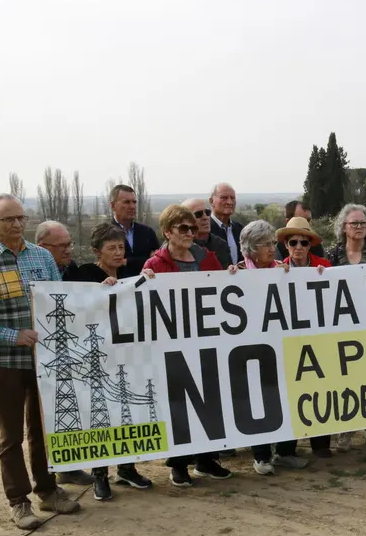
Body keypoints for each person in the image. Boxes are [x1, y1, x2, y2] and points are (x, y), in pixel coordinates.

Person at [0, 193, 81, 529]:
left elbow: (61, 302)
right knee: (10, 434)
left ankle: (48, 490)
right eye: (7, 219)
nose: (15, 225)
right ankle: (18, 500)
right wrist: (13, 336)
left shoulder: (42, 257)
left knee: (43, 429)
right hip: (6, 360)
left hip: (43, 361)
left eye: (20, 218)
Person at [143, 205, 231, 486]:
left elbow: (223, 290)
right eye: (183, 229)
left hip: (207, 341)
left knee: (210, 399)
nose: (190, 233)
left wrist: (232, 274)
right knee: (179, 403)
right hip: (174, 345)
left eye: (192, 228)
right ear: (167, 231)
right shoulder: (155, 265)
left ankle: (206, 459)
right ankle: (178, 463)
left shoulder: (207, 258)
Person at [73, 223, 157, 500]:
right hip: (96, 355)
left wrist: (148, 277)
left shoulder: (131, 272)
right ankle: (100, 475)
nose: (118, 253)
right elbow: (76, 308)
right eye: (112, 248)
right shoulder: (85, 273)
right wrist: (98, 291)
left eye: (121, 247)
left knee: (128, 412)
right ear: (97, 251)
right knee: (101, 415)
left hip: (129, 354)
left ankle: (127, 468)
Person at [227, 220, 310, 475]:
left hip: (283, 345)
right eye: (265, 244)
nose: (272, 248)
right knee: (260, 398)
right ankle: (261, 456)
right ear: (251, 249)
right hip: (252, 348)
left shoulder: (283, 270)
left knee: (288, 395)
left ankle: (286, 451)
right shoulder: (235, 273)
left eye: (273, 243)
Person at [327, 204, 366, 452]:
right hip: (343, 329)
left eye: (363, 224)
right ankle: (345, 432)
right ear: (343, 227)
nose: (359, 227)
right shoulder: (332, 256)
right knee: (346, 380)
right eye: (354, 223)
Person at [34, 220, 94, 486]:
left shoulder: (72, 270)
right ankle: (49, 475)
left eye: (69, 244)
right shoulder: (36, 271)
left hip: (74, 348)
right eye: (61, 246)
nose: (68, 250)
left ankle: (71, 467)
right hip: (41, 350)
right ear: (42, 247)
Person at [275, 216, 334, 458]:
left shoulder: (325, 266)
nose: (298, 247)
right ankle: (286, 449)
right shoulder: (276, 269)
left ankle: (321, 444)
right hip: (289, 341)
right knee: (290, 392)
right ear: (286, 245)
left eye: (304, 242)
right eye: (293, 242)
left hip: (319, 338)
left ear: (311, 245)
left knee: (321, 387)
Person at [109, 184, 161, 276]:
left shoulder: (147, 232)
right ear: (113, 206)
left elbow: (158, 261)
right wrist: (144, 260)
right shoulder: (106, 233)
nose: (132, 206)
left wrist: (127, 261)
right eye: (127, 202)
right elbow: (108, 263)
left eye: (134, 202)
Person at [184, 197, 233, 268]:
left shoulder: (220, 244)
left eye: (207, 212)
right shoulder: (179, 245)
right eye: (198, 214)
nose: (205, 217)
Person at [209, 183, 244, 265]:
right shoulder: (205, 231)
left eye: (232, 198)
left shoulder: (240, 230)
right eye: (224, 198)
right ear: (211, 201)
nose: (229, 202)